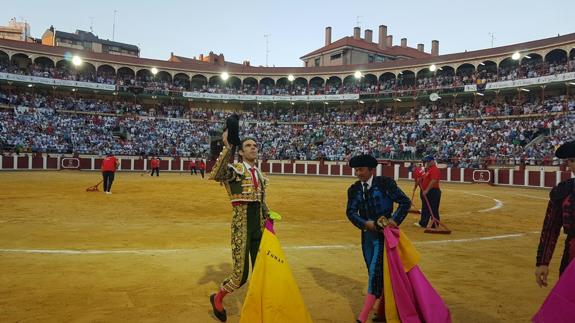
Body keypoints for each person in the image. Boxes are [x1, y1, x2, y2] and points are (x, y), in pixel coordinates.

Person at [208, 137, 270, 322]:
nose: (253, 148)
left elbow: (261, 202)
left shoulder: (259, 173)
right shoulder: (235, 170)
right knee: (240, 276)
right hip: (241, 226)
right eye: (248, 146)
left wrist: (268, 217)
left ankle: (258, 306)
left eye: (255, 145)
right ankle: (217, 298)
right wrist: (229, 147)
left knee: (261, 271)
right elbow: (217, 173)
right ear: (241, 152)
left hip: (259, 227)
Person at [346, 154, 411, 323]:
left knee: (375, 273)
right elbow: (350, 212)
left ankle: (363, 316)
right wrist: (365, 223)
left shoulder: (384, 184)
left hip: (384, 236)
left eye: (361, 170)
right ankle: (383, 311)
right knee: (373, 271)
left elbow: (405, 202)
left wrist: (394, 220)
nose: (358, 173)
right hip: (367, 236)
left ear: (370, 170)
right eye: (356, 170)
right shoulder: (354, 189)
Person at [535, 140, 575, 287]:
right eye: (571, 160)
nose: (573, 164)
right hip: (572, 256)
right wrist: (542, 262)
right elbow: (550, 229)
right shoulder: (564, 191)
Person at [416, 155, 441, 228]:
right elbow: (426, 179)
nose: (426, 163)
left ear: (432, 161)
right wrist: (421, 180)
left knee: (433, 209)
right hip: (428, 191)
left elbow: (434, 180)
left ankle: (434, 225)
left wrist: (427, 190)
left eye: (428, 161)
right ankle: (423, 223)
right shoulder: (429, 170)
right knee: (425, 207)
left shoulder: (434, 169)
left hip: (433, 192)